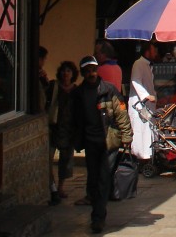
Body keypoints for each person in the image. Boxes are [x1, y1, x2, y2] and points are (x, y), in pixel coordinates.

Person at [71, 55, 132, 234]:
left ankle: (98, 217)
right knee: (94, 178)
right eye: (88, 70)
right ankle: (97, 207)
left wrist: (127, 136)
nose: (91, 73)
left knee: (103, 179)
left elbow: (121, 113)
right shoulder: (78, 94)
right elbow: (72, 119)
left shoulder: (109, 90)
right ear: (83, 73)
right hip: (90, 142)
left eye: (93, 69)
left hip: (109, 142)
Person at [46, 60, 78, 204]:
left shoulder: (76, 90)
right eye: (64, 71)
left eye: (69, 71)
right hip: (53, 127)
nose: (66, 74)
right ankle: (51, 186)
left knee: (65, 160)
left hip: (68, 128)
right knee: (47, 159)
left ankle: (60, 186)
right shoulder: (53, 87)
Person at [128, 39, 160, 162]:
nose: (155, 52)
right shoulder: (138, 64)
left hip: (148, 105)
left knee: (148, 130)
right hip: (140, 105)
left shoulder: (148, 65)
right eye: (153, 50)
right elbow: (136, 81)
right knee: (140, 131)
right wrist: (146, 96)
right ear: (147, 51)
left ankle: (149, 156)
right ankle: (140, 157)